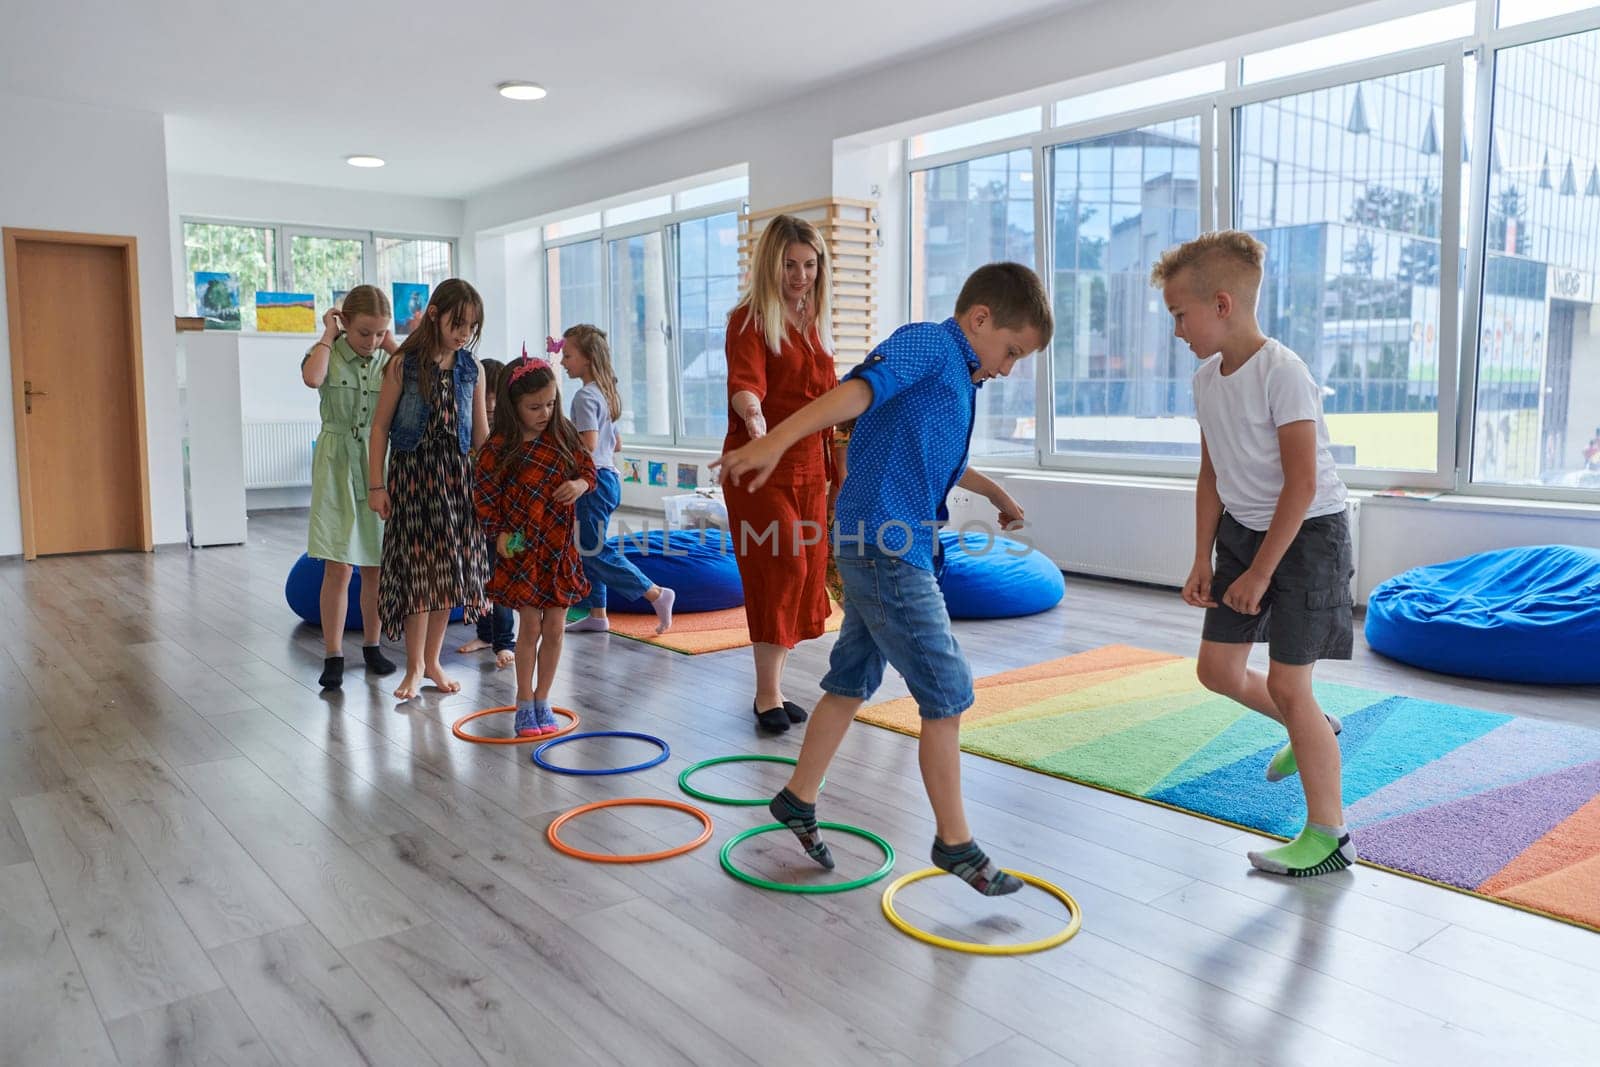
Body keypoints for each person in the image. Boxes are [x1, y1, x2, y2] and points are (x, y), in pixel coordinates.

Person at [715, 261, 1049, 895]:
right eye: (1012, 351)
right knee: (947, 688)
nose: (1008, 369)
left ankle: (797, 798)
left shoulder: (959, 376)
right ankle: (955, 843)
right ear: (980, 320)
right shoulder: (929, 343)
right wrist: (775, 441)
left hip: (888, 543)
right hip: (882, 545)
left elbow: (944, 458)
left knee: (850, 680)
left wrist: (1000, 495)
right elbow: (857, 393)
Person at [1154, 230, 1357, 877]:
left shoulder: (1283, 372)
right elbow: (1212, 472)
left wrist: (1264, 571)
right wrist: (1201, 559)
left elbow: (1300, 482)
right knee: (1216, 669)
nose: (1177, 329)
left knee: (1285, 681)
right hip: (1244, 531)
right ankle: (1315, 726)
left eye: (1179, 315)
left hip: (1308, 533)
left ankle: (1331, 836)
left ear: (1222, 304)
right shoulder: (1205, 381)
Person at [722, 214, 839, 732]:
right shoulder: (749, 319)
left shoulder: (814, 318)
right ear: (771, 264)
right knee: (782, 567)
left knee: (803, 573)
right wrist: (753, 416)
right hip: (760, 463)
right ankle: (765, 694)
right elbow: (745, 384)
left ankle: (772, 689)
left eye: (809, 265)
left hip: (812, 468)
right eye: (790, 265)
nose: (800, 275)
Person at [367, 279, 491, 700]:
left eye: (471, 326)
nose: (463, 333)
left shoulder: (473, 369)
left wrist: (494, 485)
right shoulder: (404, 364)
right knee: (418, 573)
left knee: (447, 575)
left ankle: (433, 661)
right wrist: (376, 486)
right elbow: (380, 427)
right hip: (414, 479)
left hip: (457, 482)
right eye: (458, 322)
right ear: (434, 314)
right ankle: (414, 664)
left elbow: (481, 438)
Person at [474, 358, 596, 736]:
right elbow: (484, 495)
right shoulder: (499, 446)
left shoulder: (564, 434)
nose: (544, 413)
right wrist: (497, 535)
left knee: (556, 626)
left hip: (559, 547)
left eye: (550, 403)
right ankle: (523, 701)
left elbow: (588, 470)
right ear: (513, 406)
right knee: (529, 626)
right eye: (534, 407)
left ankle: (544, 699)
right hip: (522, 547)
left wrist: (580, 486)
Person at [301, 285, 399, 688]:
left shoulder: (388, 360)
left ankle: (373, 647)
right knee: (338, 566)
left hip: (376, 463)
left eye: (379, 333)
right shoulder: (327, 352)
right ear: (344, 324)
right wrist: (328, 335)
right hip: (337, 463)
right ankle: (333, 652)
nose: (371, 342)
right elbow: (313, 378)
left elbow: (422, 370)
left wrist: (390, 343)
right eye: (364, 333)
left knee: (375, 563)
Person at [557, 325, 676, 635]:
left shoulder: (585, 396)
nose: (562, 362)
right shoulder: (605, 392)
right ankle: (598, 614)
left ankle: (656, 593)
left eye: (568, 356)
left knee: (591, 550)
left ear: (587, 358)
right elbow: (617, 444)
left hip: (593, 483)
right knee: (592, 547)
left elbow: (589, 446)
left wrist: (560, 441)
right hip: (608, 479)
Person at [457, 357, 516, 666]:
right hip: (472, 514)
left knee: (498, 578)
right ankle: (485, 633)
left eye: (495, 394)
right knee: (479, 576)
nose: (490, 402)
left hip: (499, 518)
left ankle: (505, 641)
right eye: (485, 394)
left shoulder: (509, 431)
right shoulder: (468, 425)